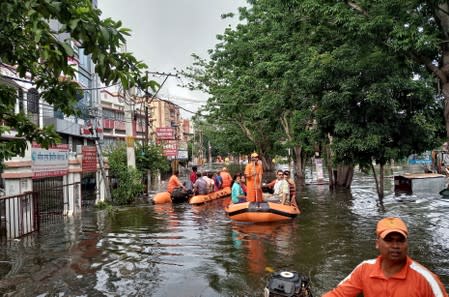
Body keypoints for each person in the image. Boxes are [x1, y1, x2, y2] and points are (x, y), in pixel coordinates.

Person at [322, 217, 448, 297]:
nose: (395, 246)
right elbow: (339, 294)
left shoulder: (425, 279)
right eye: (389, 240)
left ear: (406, 244)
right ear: (377, 243)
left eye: (400, 240)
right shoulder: (364, 269)